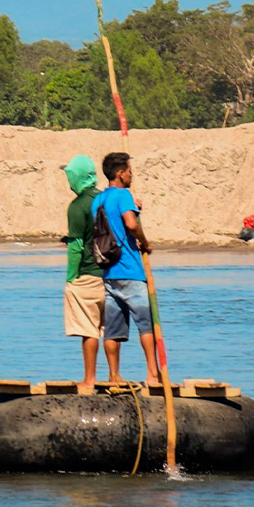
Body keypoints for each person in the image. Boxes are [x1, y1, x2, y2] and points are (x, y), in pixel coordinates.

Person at [90, 152, 159, 386]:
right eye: (129, 171)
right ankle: (153, 375)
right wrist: (145, 242)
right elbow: (130, 224)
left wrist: (134, 208)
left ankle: (113, 375)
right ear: (120, 174)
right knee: (146, 324)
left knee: (112, 329)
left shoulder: (98, 200)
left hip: (109, 272)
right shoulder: (123, 195)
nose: (132, 175)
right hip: (130, 270)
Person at [62, 155, 105, 389]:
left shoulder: (78, 206)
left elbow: (76, 246)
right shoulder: (105, 199)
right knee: (109, 330)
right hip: (111, 274)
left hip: (88, 274)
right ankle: (115, 375)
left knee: (89, 330)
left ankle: (89, 379)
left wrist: (71, 277)